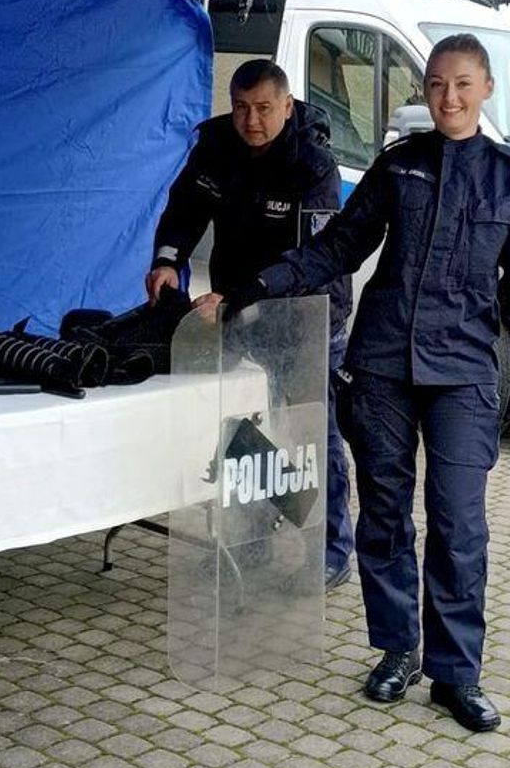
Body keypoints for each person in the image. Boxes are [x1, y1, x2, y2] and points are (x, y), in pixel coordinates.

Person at [224, 34, 510, 732]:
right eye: (436, 85)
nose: (449, 98)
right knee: (384, 515)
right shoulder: (398, 168)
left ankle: (456, 674)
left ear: (486, 89)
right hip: (381, 367)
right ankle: (397, 650)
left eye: (462, 84)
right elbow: (340, 246)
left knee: (460, 521)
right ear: (424, 90)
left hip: (463, 371)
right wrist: (261, 283)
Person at [146, 59, 354, 587]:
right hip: (236, 311)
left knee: (311, 436)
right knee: (242, 426)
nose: (252, 120)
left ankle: (330, 548)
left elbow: (316, 257)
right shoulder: (215, 146)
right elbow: (183, 210)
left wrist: (244, 294)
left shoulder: (313, 163)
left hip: (307, 315)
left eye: (264, 108)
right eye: (241, 107)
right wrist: (168, 260)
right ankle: (251, 539)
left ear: (287, 106)